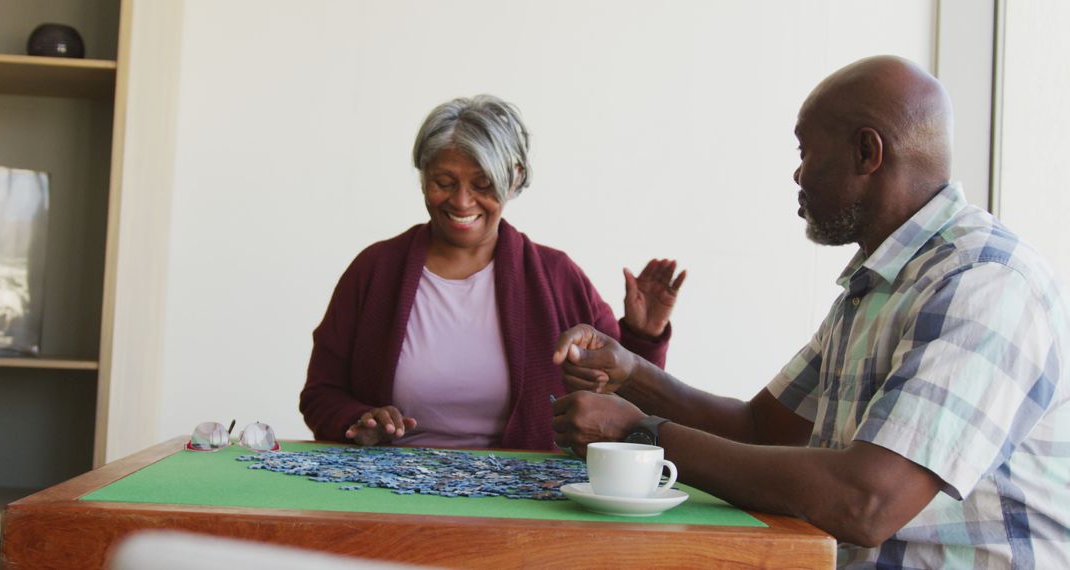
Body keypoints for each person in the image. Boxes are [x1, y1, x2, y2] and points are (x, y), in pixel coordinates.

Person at [550, 56, 1070, 567]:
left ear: (867, 152)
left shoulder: (984, 282)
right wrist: (631, 372)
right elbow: (759, 427)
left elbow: (866, 502)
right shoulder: (877, 284)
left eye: (805, 151)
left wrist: (641, 435)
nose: (797, 173)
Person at [300, 94, 685, 451]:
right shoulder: (375, 271)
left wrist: (644, 337)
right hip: (388, 488)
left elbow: (630, 409)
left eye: (483, 184)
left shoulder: (557, 277)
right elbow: (320, 395)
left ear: (514, 178)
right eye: (444, 182)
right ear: (423, 176)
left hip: (526, 492)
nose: (461, 201)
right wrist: (359, 420)